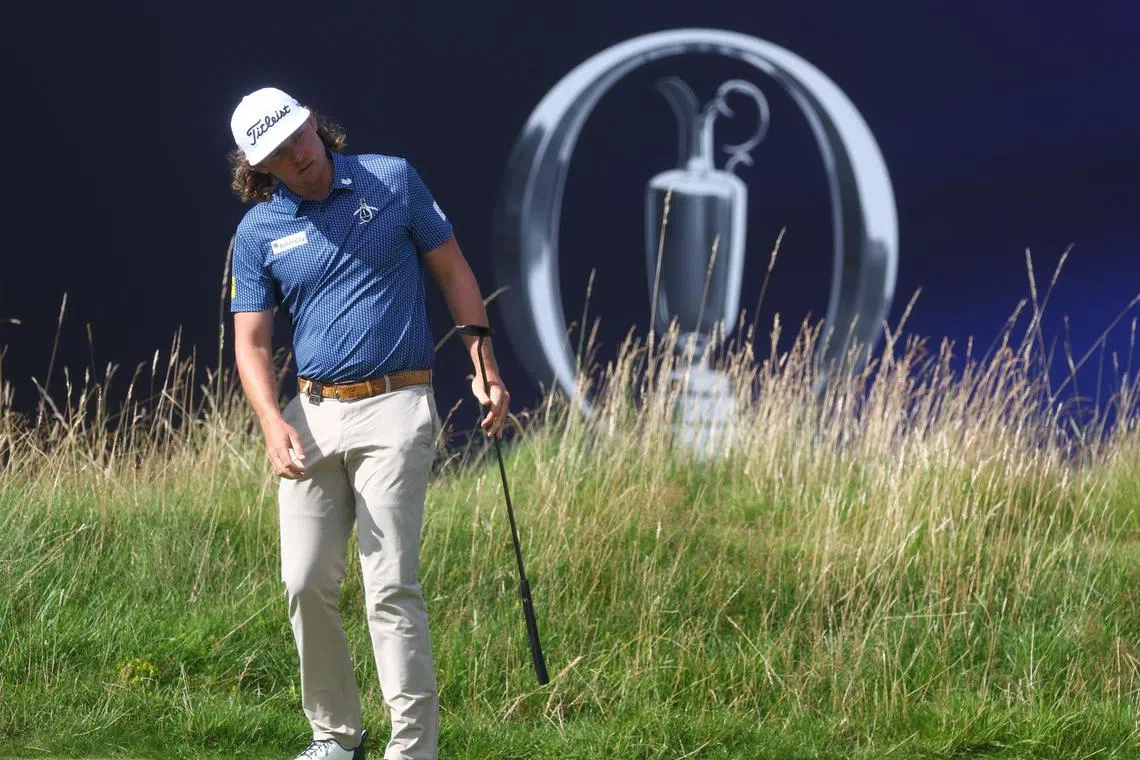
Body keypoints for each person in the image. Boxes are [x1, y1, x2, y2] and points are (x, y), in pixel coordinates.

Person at [226, 86, 510, 760]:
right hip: (313, 415)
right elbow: (253, 343)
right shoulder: (258, 233)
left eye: (300, 135)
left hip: (396, 404)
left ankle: (412, 752)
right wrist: (271, 423)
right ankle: (335, 738)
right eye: (278, 151)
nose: (299, 154)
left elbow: (454, 271)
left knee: (389, 586)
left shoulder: (391, 178)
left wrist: (484, 363)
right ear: (258, 164)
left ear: (313, 124)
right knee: (303, 581)